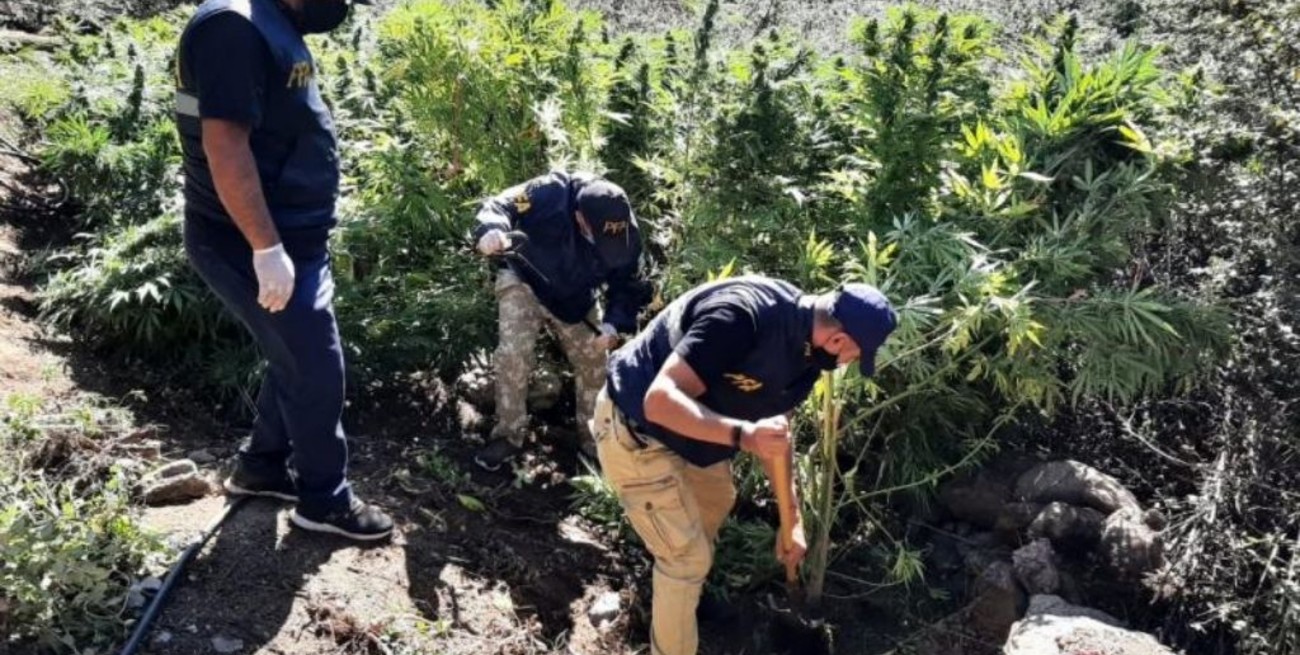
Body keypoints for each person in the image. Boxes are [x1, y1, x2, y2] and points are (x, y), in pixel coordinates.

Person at [174, 0, 392, 540]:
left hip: (291, 235)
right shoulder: (235, 28)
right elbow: (225, 145)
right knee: (318, 367)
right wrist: (266, 248)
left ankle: (261, 467)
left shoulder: (274, 23)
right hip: (248, 241)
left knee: (293, 355)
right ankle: (324, 500)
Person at [593, 275, 896, 655]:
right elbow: (660, 401)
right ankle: (674, 611)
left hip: (698, 436)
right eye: (854, 355)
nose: (849, 363)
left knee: (717, 501)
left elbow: (775, 436)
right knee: (685, 559)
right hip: (637, 429)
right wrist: (743, 435)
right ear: (838, 340)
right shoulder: (741, 315)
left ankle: (679, 600)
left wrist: (792, 521)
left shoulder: (807, 357)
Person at [471, 170, 652, 471]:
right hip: (524, 278)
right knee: (513, 354)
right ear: (580, 217)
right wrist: (491, 229)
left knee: (595, 359)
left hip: (575, 296)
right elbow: (501, 204)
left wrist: (613, 325)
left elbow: (628, 285)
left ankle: (595, 442)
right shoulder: (552, 192)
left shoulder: (624, 232)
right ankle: (508, 436)